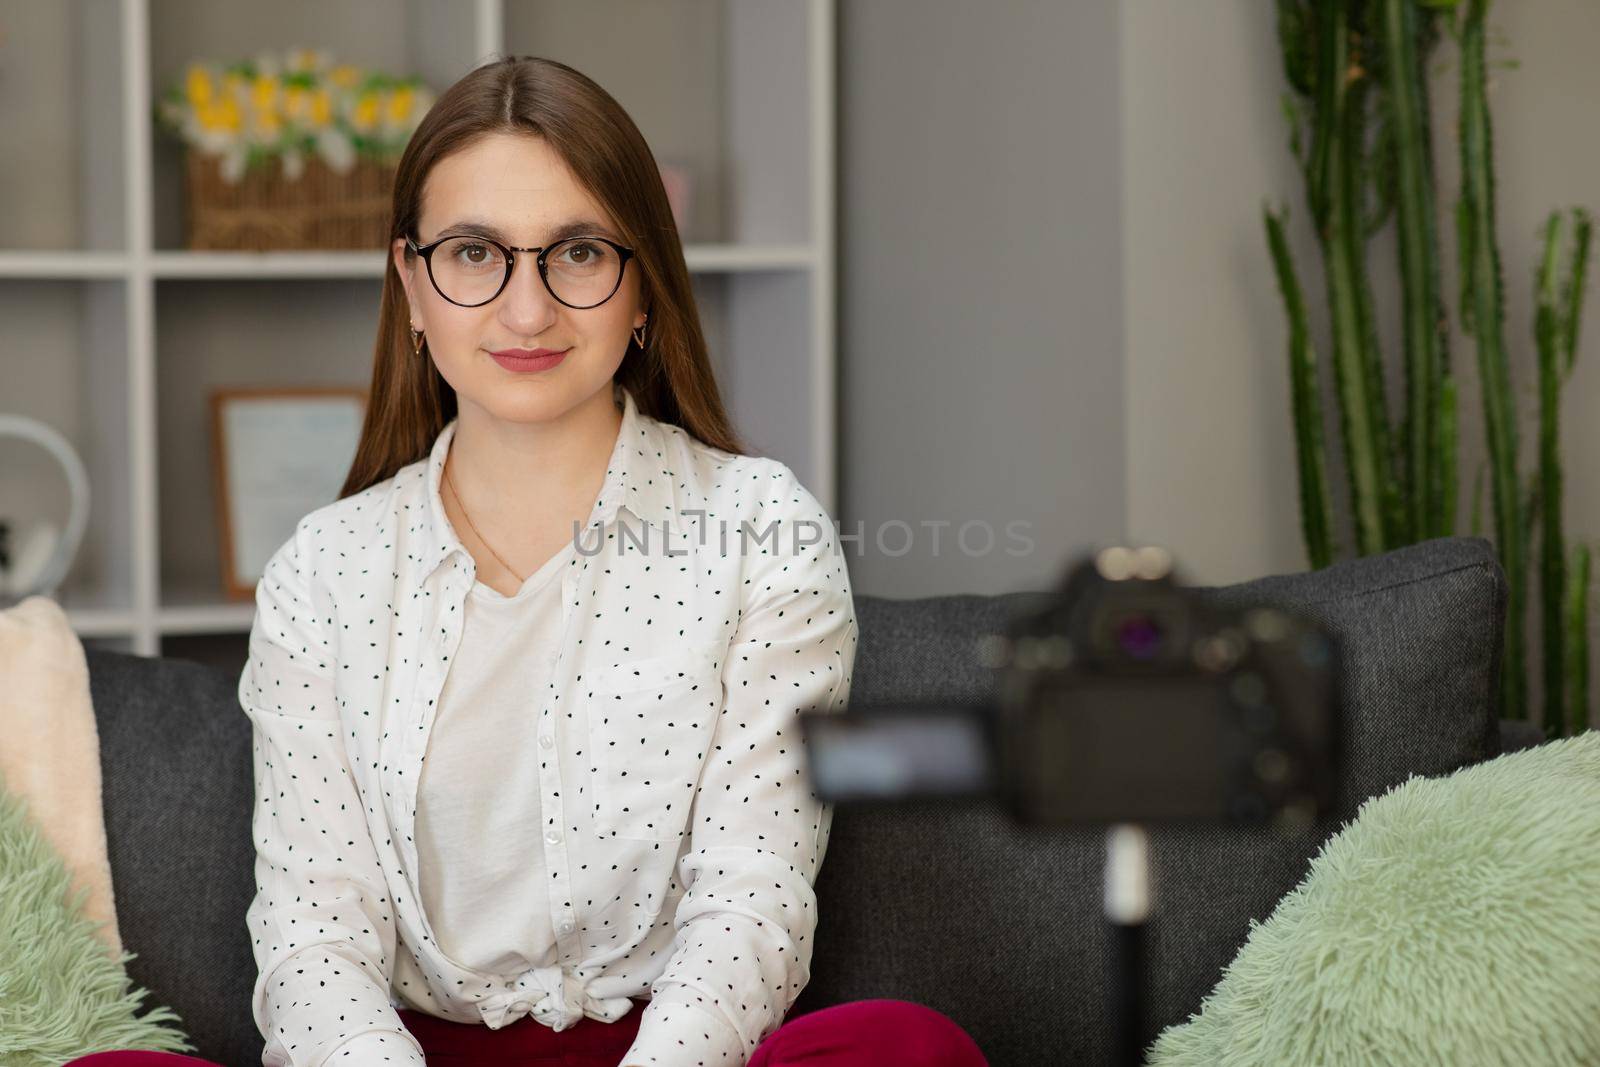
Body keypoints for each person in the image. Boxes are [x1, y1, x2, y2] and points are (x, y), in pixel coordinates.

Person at [66, 55, 987, 1067]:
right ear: (412, 285)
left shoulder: (762, 527)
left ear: (643, 287)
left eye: (579, 252)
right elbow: (313, 934)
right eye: (473, 253)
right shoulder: (324, 572)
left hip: (678, 1051)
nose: (527, 309)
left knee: (905, 1045)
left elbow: (752, 899)